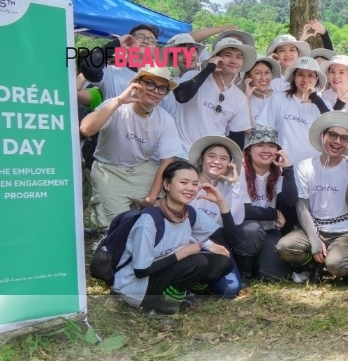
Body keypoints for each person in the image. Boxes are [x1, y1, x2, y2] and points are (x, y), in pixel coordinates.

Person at [110, 160, 236, 314]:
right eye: (184, 182)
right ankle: (164, 304)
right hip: (136, 288)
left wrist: (221, 203)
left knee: (223, 262)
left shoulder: (190, 213)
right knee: (197, 261)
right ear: (167, 184)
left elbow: (230, 241)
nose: (190, 188)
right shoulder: (149, 220)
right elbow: (140, 271)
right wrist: (182, 253)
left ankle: (186, 295)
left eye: (195, 184)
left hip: (164, 272)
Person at [80, 66, 183, 229]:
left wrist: (151, 196)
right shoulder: (115, 106)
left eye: (162, 88)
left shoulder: (165, 120)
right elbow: (86, 129)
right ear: (136, 83)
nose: (156, 91)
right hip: (109, 170)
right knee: (116, 225)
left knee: (167, 205)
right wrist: (119, 100)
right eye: (150, 84)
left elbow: (167, 160)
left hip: (141, 168)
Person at [277, 112, 348, 280]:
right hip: (316, 226)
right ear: (322, 136)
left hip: (346, 229)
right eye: (332, 135)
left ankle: (330, 266)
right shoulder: (305, 166)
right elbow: (301, 205)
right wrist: (314, 239)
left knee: (336, 265)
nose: (337, 141)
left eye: (343, 138)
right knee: (284, 247)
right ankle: (312, 264)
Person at [235, 125, 297, 281]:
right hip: (244, 228)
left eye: (271, 146)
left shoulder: (278, 171)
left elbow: (290, 202)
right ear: (249, 149)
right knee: (253, 229)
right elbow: (244, 211)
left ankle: (258, 263)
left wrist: (288, 169)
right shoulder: (239, 171)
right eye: (259, 145)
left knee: (275, 276)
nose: (266, 150)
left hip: (269, 229)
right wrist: (274, 213)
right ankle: (244, 272)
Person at [173, 37, 254, 154]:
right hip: (181, 152)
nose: (233, 60)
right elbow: (182, 97)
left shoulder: (240, 98)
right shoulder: (192, 76)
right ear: (216, 57)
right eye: (227, 55)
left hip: (211, 160)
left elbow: (237, 138)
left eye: (238, 57)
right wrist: (208, 69)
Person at [189, 135, 247, 296]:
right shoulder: (188, 186)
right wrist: (207, 245)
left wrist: (235, 184)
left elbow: (236, 220)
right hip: (188, 244)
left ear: (228, 165)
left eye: (223, 158)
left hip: (218, 247)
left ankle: (205, 281)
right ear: (201, 160)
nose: (216, 161)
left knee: (230, 290)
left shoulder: (227, 189)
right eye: (211, 156)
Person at [258, 56, 330, 166]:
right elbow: (264, 128)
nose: (305, 79)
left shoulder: (324, 104)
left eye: (310, 75)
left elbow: (333, 127)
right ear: (294, 77)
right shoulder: (279, 99)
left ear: (317, 79)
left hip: (314, 168)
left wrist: (315, 98)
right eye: (300, 74)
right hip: (284, 166)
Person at [244, 56, 282, 121]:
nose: (264, 78)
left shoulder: (280, 98)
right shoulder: (242, 99)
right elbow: (245, 128)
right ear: (248, 76)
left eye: (267, 73)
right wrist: (246, 99)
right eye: (258, 73)